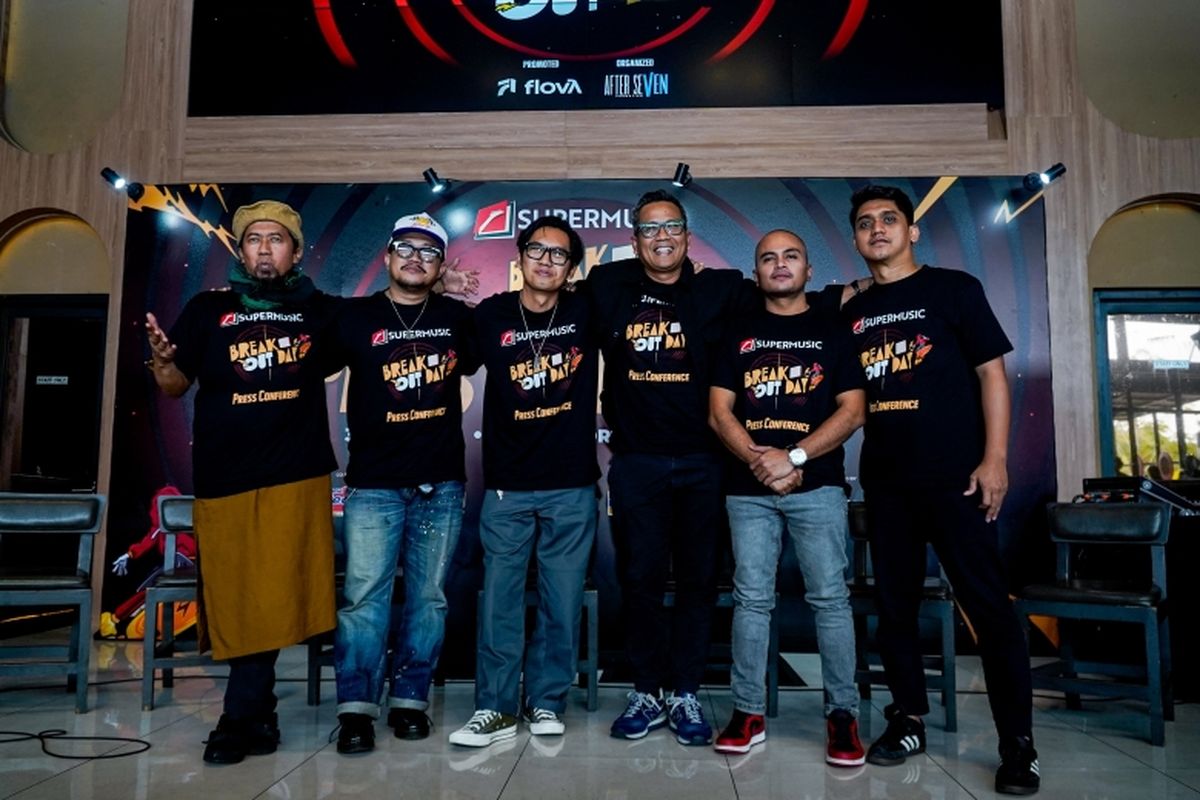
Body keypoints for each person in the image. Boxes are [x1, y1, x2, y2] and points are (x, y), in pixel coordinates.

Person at [842, 185, 1039, 795]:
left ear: (913, 231)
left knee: (988, 609)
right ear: (855, 237)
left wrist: (996, 459)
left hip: (960, 479)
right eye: (866, 223)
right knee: (895, 610)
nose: (877, 229)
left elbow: (991, 374)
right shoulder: (851, 309)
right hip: (887, 483)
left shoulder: (955, 289)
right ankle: (908, 719)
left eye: (889, 219)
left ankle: (1018, 745)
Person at [145, 199, 338, 764]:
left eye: (276, 239)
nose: (264, 249)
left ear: (295, 252)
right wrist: (163, 361)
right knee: (233, 597)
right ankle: (258, 711)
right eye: (254, 239)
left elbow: (382, 328)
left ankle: (240, 715)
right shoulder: (208, 308)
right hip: (224, 475)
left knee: (275, 593)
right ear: (241, 250)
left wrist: (441, 285)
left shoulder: (319, 310)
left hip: (294, 472)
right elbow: (175, 385)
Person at [588, 190, 749, 745]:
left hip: (705, 460)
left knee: (700, 581)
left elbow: (789, 296)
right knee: (641, 580)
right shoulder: (609, 285)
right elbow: (552, 296)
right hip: (638, 461)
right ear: (634, 241)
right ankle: (646, 690)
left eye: (672, 227)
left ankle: (684, 692)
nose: (662, 237)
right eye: (650, 229)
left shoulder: (721, 288)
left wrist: (861, 290)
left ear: (687, 237)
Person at [708, 229, 867, 764]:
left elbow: (853, 410)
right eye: (768, 258)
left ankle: (842, 715)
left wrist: (793, 457)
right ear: (755, 273)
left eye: (791, 256)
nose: (779, 265)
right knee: (752, 599)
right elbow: (719, 412)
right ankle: (747, 711)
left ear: (808, 270)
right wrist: (762, 462)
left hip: (817, 486)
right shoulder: (736, 331)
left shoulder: (834, 330)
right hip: (747, 489)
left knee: (830, 599)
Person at [448, 216, 599, 747]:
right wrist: (443, 282)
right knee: (500, 602)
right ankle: (493, 707)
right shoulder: (491, 314)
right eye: (537, 249)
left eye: (559, 254)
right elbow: (445, 344)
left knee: (563, 600)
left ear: (572, 268)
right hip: (507, 486)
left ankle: (547, 701)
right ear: (520, 257)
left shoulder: (587, 309)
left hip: (571, 485)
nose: (546, 261)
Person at [329, 212, 476, 753]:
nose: (416, 258)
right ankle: (356, 710)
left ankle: (411, 700)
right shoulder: (355, 316)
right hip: (373, 485)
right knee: (363, 598)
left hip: (441, 484)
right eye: (406, 249)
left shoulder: (457, 318)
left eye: (428, 251)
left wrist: (452, 293)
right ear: (388, 257)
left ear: (440, 265)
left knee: (428, 599)